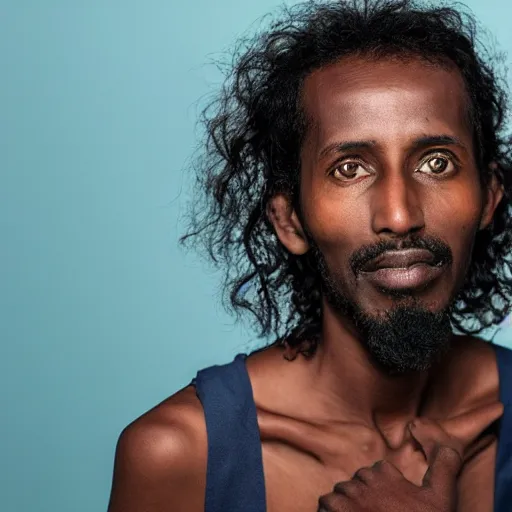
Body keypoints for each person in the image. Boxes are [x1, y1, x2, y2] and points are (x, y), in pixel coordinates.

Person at [107, 1, 512, 510]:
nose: (401, 214)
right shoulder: (181, 454)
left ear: (489, 196)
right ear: (289, 219)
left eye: (436, 162)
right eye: (349, 169)